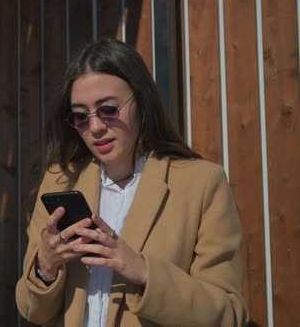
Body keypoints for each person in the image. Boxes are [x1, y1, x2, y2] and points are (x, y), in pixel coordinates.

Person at [15, 38, 249, 326]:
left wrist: (144, 271)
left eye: (109, 110)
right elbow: (31, 310)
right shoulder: (59, 180)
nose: (96, 127)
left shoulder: (202, 184)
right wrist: (45, 268)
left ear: (141, 100)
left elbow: (229, 315)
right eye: (80, 116)